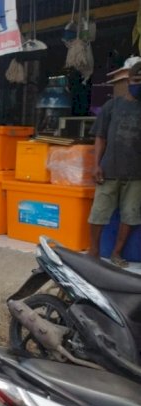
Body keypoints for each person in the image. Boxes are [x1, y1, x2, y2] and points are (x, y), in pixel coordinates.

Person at [87, 60, 141, 268]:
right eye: (137, 80)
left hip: (136, 175)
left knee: (130, 215)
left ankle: (116, 254)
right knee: (99, 212)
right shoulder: (112, 106)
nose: (139, 85)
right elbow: (100, 137)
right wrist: (96, 165)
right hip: (109, 170)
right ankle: (93, 250)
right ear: (128, 81)